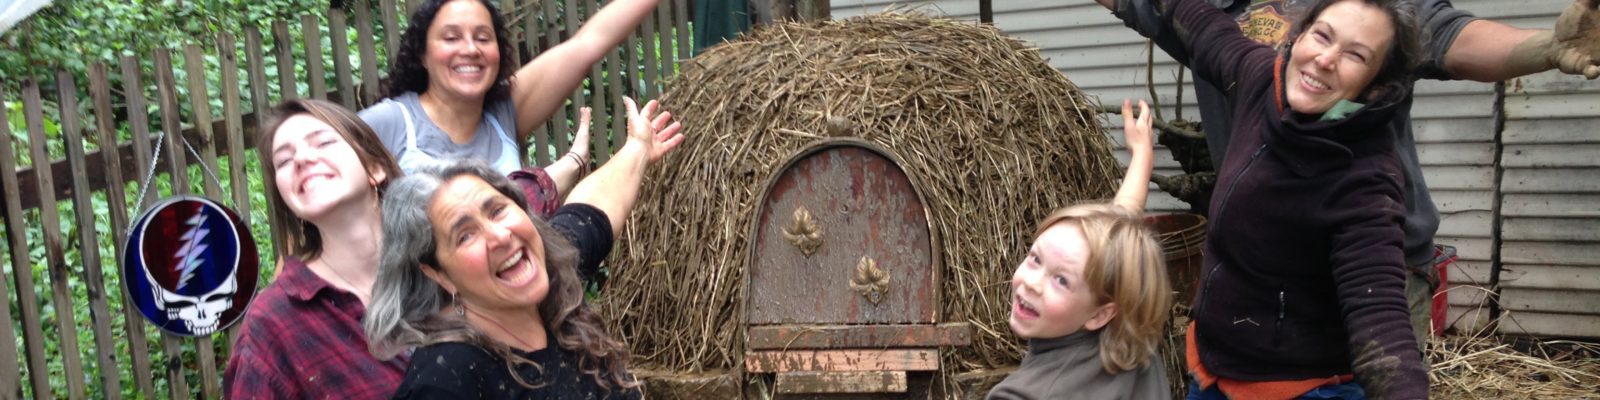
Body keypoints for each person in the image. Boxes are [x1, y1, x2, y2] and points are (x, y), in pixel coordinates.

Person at [1096, 0, 1600, 347]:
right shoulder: (1218, 13)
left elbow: (1454, 39)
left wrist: (1544, 48)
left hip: (1374, 256)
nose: (1324, 59)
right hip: (1261, 266)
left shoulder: (1373, 10)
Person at [1100, 0, 1438, 397]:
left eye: (1356, 55)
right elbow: (1204, 26)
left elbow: (1379, 317)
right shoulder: (1260, 79)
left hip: (1298, 387)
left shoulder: (1364, 179)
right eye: (1322, 36)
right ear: (1298, 35)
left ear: (1377, 83)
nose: (1325, 59)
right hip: (1213, 369)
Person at [364, 97, 683, 399]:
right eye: (465, 236)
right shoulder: (445, 381)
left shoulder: (553, 280)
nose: (500, 236)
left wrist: (638, 147)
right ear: (438, 274)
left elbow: (592, 210)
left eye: (496, 210)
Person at [359, 0, 660, 216]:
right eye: (451, 38)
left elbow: (589, 43)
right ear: (422, 54)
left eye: (483, 38)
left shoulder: (503, 114)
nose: (470, 49)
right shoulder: (388, 122)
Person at [987, 99, 1173, 400]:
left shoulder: (1022, 395)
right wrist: (1141, 156)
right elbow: (1119, 235)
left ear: (1101, 315)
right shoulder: (1133, 338)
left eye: (1061, 280)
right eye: (1035, 259)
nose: (1032, 283)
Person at [224, 99, 406, 398]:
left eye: (323, 142)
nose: (301, 159)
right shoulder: (273, 324)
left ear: (374, 167)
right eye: (284, 161)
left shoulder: (445, 264)